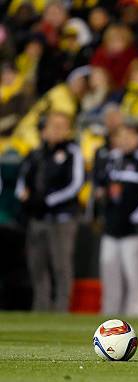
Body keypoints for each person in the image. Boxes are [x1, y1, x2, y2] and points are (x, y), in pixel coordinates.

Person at [15, 111, 84, 312]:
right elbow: (22, 181)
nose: (56, 130)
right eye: (53, 126)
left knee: (61, 266)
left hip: (62, 218)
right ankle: (41, 308)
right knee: (37, 266)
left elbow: (75, 184)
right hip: (37, 217)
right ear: (44, 129)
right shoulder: (36, 153)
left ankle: (61, 309)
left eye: (61, 126)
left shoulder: (72, 152)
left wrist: (46, 200)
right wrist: (24, 196)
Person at [98, 122, 138, 317]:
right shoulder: (112, 158)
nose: (124, 140)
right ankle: (109, 319)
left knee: (134, 277)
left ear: (137, 138)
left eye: (129, 136)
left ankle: (134, 318)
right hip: (111, 227)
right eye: (121, 136)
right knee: (110, 275)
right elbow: (103, 186)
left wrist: (137, 217)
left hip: (135, 230)